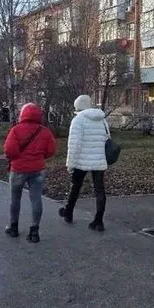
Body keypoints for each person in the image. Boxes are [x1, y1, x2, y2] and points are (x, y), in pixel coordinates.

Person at [3, 103, 57, 243]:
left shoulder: (15, 130)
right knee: (36, 199)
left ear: (22, 115)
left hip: (18, 169)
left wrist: (16, 158)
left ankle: (13, 227)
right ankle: (34, 231)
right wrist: (39, 157)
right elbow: (51, 150)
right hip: (37, 170)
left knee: (15, 198)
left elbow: (9, 150)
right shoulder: (44, 131)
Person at [60, 94, 110, 232]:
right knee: (100, 190)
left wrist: (70, 164)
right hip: (99, 160)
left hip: (82, 161)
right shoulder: (102, 119)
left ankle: (68, 212)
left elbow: (74, 145)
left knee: (75, 186)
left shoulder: (78, 120)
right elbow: (107, 138)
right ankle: (99, 221)